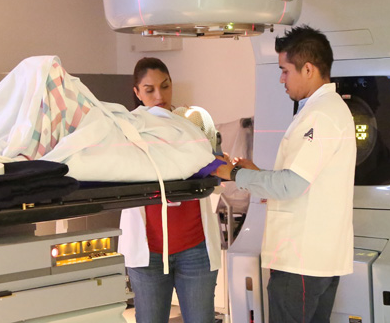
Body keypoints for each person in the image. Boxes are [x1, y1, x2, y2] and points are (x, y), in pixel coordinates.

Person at [215, 26, 356, 323]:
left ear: (308, 69)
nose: (281, 79)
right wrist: (257, 174)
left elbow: (291, 185)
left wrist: (234, 173)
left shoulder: (321, 115)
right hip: (316, 259)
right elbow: (303, 180)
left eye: (285, 70)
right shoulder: (326, 110)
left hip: (301, 262)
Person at [119, 57, 221, 323]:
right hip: (148, 253)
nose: (159, 96)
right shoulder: (126, 130)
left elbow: (212, 164)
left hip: (195, 247)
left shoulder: (192, 124)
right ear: (137, 92)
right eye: (149, 89)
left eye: (165, 86)